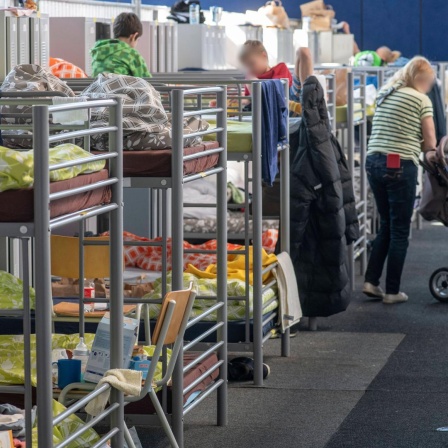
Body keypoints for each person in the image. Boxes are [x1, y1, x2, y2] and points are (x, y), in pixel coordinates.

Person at [363, 57, 437, 304]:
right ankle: (392, 291)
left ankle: (371, 282)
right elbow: (430, 143)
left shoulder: (386, 91)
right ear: (422, 80)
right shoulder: (420, 99)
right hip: (398, 166)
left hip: (373, 162)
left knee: (386, 224)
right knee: (399, 230)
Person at [238, 40, 313, 103]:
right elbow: (249, 100)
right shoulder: (250, 77)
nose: (250, 69)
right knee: (250, 78)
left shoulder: (280, 68)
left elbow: (279, 89)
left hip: (291, 97)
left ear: (263, 56)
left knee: (303, 51)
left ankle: (308, 99)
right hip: (271, 107)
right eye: (246, 66)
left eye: (252, 63)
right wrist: (243, 99)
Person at [90, 12, 151, 78]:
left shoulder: (98, 51)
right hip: (120, 88)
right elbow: (147, 81)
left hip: (98, 88)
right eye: (137, 40)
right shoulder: (132, 54)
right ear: (133, 36)